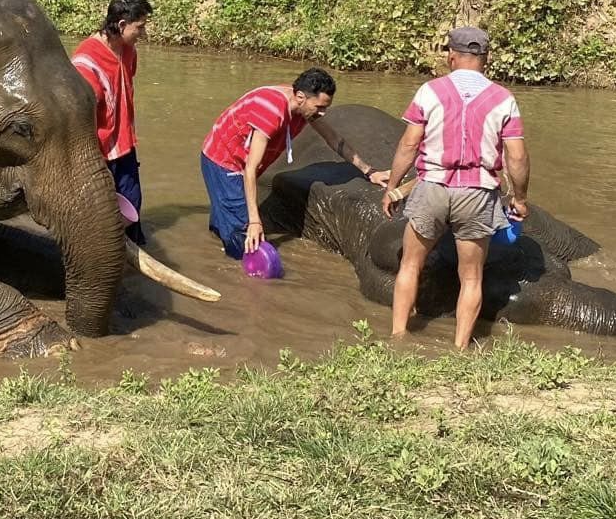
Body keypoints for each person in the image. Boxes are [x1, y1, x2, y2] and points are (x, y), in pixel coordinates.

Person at [379, 26, 530, 351]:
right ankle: (460, 348)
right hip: (477, 193)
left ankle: (398, 336)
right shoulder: (503, 98)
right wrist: (519, 197)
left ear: (451, 56)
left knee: (410, 263)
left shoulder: (429, 91)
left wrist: (392, 186)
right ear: (485, 59)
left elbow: (409, 144)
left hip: (432, 186)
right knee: (472, 277)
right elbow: (516, 156)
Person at [200, 68, 379, 261]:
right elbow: (249, 169)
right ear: (300, 97)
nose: (323, 113)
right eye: (319, 107)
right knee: (246, 236)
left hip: (242, 159)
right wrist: (254, 221)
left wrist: (370, 172)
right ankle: (237, 271)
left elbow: (334, 139)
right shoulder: (271, 111)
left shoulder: (303, 107)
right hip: (224, 160)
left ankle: (215, 243)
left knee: (229, 215)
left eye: (325, 107)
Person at [72, 0, 152, 246]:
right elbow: (78, 117)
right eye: (139, 27)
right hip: (99, 152)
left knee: (132, 207)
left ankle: (132, 266)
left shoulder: (129, 52)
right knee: (99, 217)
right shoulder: (86, 62)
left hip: (124, 145)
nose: (144, 33)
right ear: (121, 25)